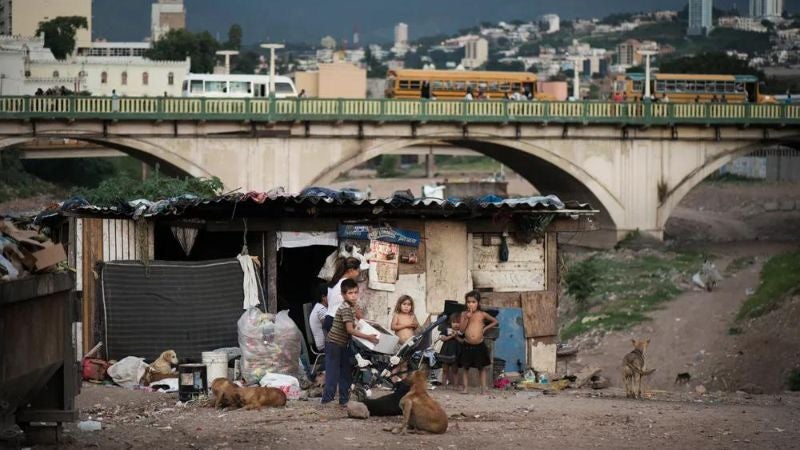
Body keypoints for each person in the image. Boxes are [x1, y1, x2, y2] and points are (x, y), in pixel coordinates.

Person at [321, 278, 379, 405]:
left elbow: (356, 322)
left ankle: (343, 399)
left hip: (343, 344)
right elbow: (350, 330)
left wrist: (370, 325)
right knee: (333, 372)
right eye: (350, 293)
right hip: (334, 343)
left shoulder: (352, 306)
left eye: (355, 293)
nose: (353, 296)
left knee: (346, 372)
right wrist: (368, 336)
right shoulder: (345, 308)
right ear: (343, 295)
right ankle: (327, 399)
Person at [458, 291, 498, 394]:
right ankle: (465, 388)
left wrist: (485, 328)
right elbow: (461, 330)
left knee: (482, 368)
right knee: (465, 367)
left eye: (473, 302)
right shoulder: (463, 314)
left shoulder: (482, 314)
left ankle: (483, 389)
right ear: (466, 303)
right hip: (467, 344)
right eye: (468, 302)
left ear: (478, 303)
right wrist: (467, 318)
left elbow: (495, 321)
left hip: (479, 345)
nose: (471, 304)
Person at [323, 257, 361, 333]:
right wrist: (363, 320)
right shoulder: (347, 284)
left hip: (329, 319)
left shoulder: (336, 282)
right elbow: (354, 307)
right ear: (351, 270)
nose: (359, 273)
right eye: (358, 270)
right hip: (336, 321)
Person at [438, 312, 462, 389]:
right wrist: (451, 336)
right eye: (454, 322)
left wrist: (456, 337)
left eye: (458, 322)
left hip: (456, 353)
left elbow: (463, 341)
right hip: (446, 352)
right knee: (445, 369)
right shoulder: (446, 330)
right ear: (450, 323)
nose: (456, 324)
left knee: (455, 370)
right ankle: (444, 385)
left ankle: (455, 385)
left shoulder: (461, 332)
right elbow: (442, 339)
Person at [309, 283, 328, 351]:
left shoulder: (320, 307)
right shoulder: (321, 310)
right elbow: (329, 329)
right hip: (325, 346)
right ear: (323, 297)